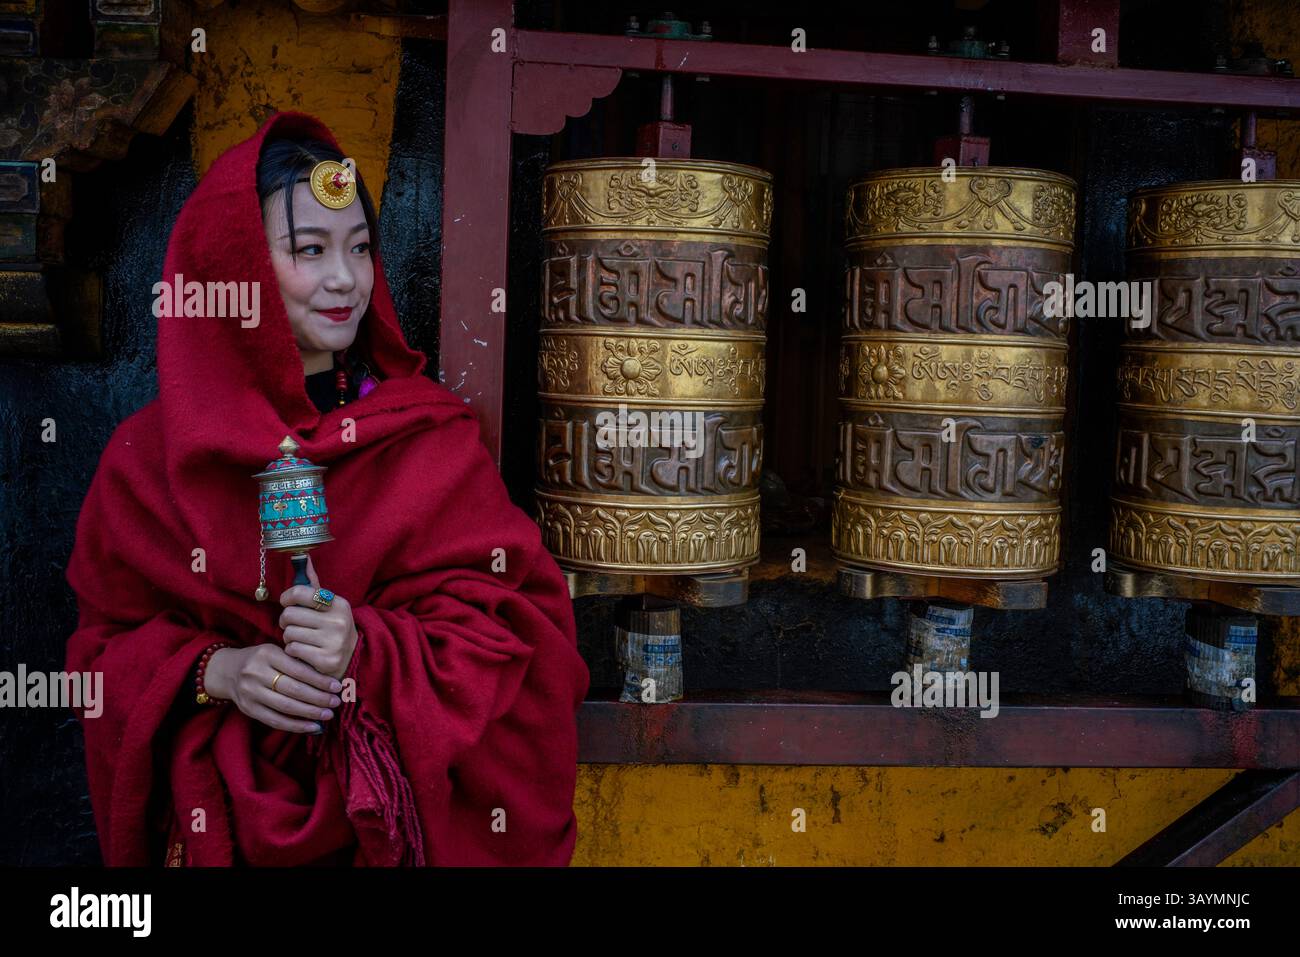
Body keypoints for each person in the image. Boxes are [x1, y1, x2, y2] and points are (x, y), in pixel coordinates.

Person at [64, 111, 590, 866]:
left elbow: (524, 636)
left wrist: (368, 649)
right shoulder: (146, 464)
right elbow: (97, 661)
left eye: (360, 248)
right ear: (233, 270)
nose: (346, 278)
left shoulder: (426, 438)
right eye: (309, 250)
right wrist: (217, 672)